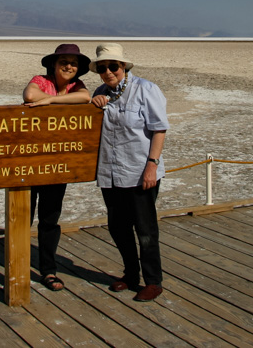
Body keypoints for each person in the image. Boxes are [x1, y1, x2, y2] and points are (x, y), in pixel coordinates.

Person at [90, 42, 169, 302]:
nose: (108, 72)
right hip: (111, 173)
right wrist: (94, 104)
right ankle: (130, 274)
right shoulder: (100, 92)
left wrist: (152, 165)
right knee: (118, 227)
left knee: (145, 229)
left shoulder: (146, 90)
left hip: (139, 171)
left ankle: (153, 281)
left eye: (113, 66)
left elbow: (159, 129)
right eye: (103, 68)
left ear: (123, 66)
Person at [22, 43, 91, 291]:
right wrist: (62, 102)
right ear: (54, 64)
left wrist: (49, 101)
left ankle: (48, 271)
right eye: (64, 62)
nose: (69, 66)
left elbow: (85, 98)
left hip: (56, 164)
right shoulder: (40, 79)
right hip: (28, 162)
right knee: (22, 217)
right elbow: (29, 96)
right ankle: (17, 266)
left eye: (73, 63)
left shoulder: (77, 87)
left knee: (49, 220)